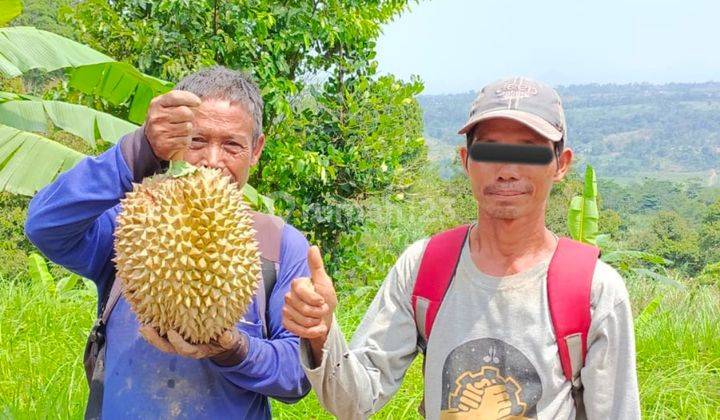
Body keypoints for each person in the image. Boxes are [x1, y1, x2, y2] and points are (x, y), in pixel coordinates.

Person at [282, 77, 641, 419]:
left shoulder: (594, 290)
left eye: (529, 153)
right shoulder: (424, 267)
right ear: (465, 160)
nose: (507, 170)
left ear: (560, 165)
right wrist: (322, 333)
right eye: (489, 151)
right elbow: (355, 402)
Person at [25, 66, 311, 419]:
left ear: (256, 150)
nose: (211, 161)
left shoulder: (280, 248)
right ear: (173, 140)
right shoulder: (132, 220)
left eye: (232, 145)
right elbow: (44, 224)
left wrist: (233, 349)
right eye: (197, 141)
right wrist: (137, 152)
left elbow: (298, 375)